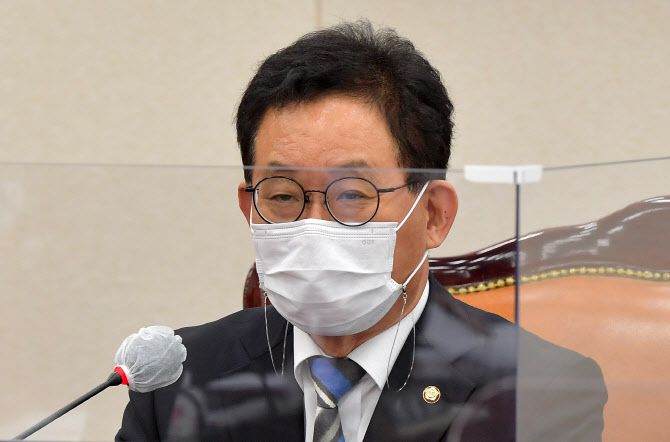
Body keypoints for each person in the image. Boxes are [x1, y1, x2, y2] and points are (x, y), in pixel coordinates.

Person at [116, 21, 606, 441]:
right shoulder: (179, 378)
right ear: (249, 207)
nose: (313, 225)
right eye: (283, 196)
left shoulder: (537, 390)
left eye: (352, 195)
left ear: (433, 214)